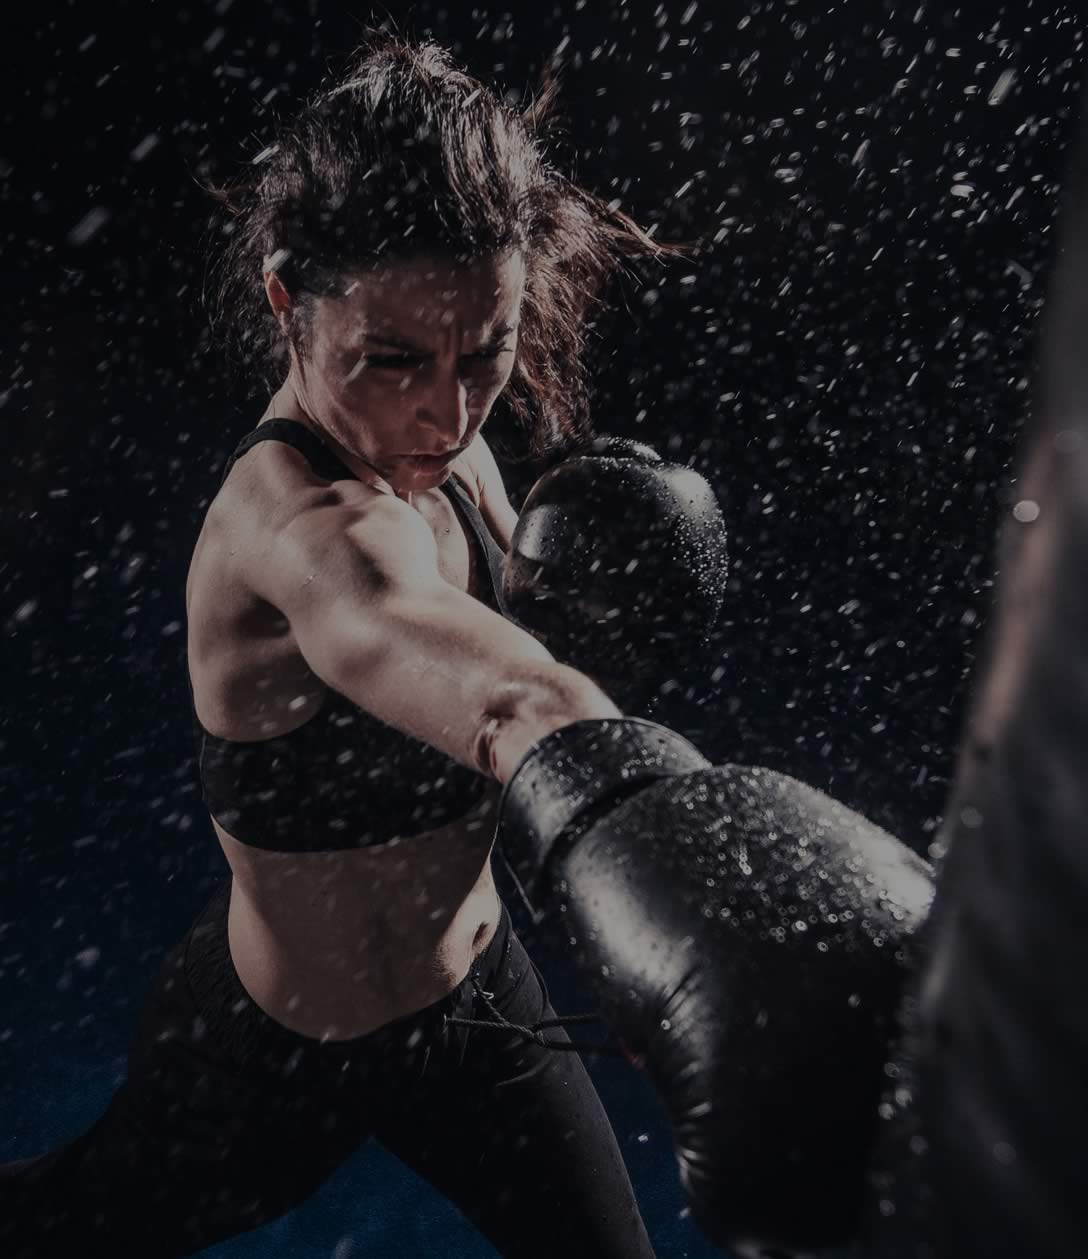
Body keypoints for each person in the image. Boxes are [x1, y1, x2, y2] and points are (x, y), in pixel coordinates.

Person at [0, 32, 677, 1258]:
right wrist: (673, 849)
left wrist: (629, 932)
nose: (451, 406)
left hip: (477, 1007)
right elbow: (489, 690)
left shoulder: (452, 446)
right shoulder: (297, 529)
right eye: (393, 359)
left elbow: (503, 680)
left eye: (488, 348)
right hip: (272, 1050)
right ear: (284, 300)